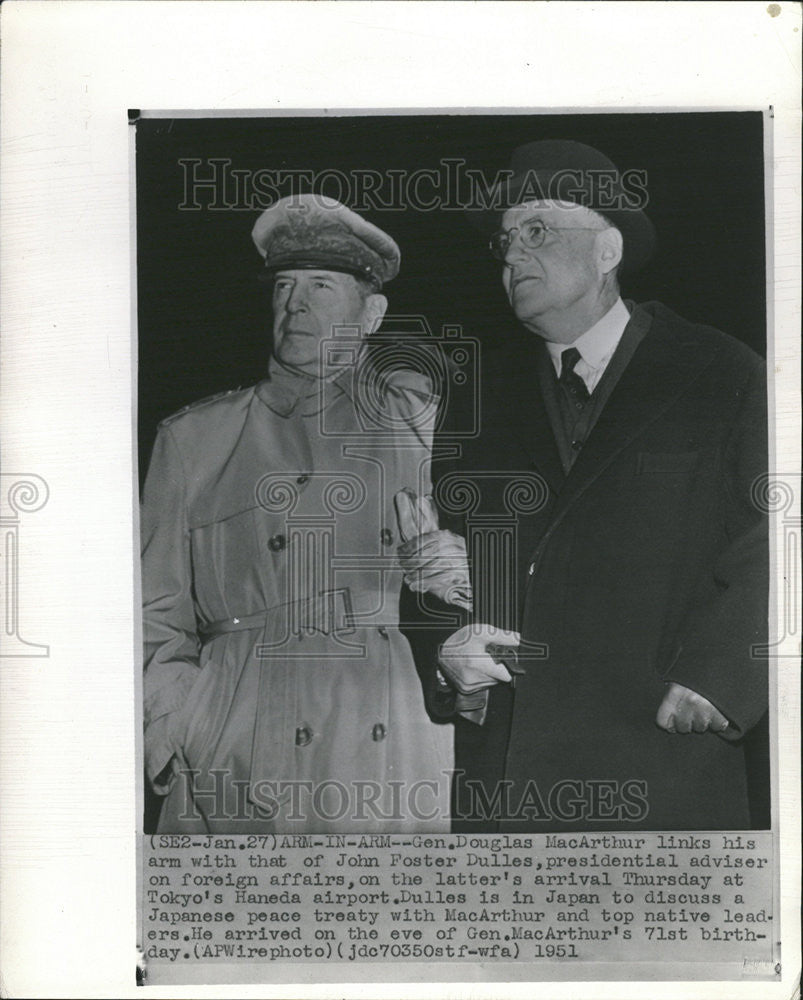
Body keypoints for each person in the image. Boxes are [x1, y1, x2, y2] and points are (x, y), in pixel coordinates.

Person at [420, 140, 768, 832]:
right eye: (504, 240)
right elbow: (436, 558)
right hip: (508, 778)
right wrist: (443, 654)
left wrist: (721, 677)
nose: (512, 255)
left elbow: (779, 537)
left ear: (606, 251)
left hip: (663, 769)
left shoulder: (721, 371)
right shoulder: (477, 397)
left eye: (537, 231)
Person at [141, 194, 454, 833]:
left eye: (320, 285)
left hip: (395, 740)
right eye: (284, 285)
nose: (296, 304)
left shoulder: (427, 425)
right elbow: (152, 610)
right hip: (239, 745)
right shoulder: (196, 438)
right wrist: (181, 723)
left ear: (372, 313)